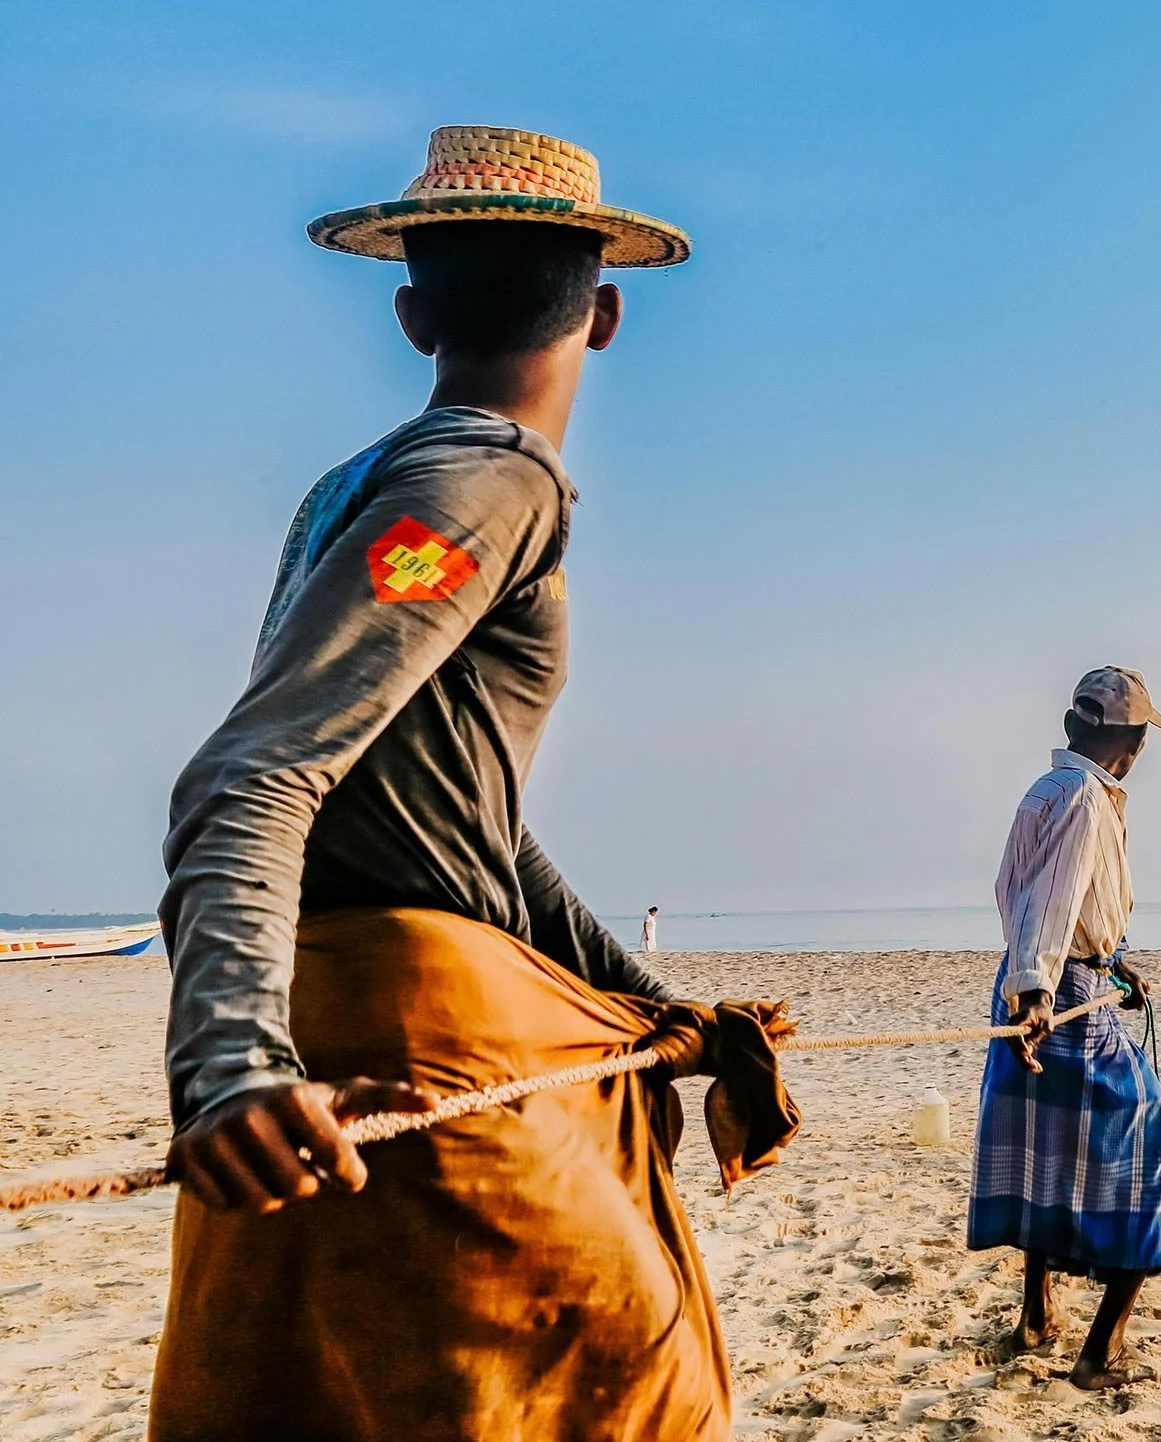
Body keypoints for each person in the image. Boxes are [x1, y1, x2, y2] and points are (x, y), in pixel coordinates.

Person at [149, 126, 794, 1441]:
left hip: (341, 1029)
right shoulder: (479, 489)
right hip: (402, 1050)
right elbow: (257, 766)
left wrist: (647, 1005)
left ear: (411, 313)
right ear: (604, 316)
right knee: (634, 1385)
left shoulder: (359, 490)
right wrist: (225, 1065)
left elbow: (470, 822)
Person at [969, 667, 1161, 1391]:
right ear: (1121, 736)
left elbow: (1016, 892)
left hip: (1054, 979)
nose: (1138, 748)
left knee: (1046, 1156)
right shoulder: (1085, 799)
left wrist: (1115, 965)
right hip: (1058, 996)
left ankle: (1035, 1317)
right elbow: (1050, 896)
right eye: (1136, 734)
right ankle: (1101, 1353)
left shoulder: (1044, 790)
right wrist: (1038, 990)